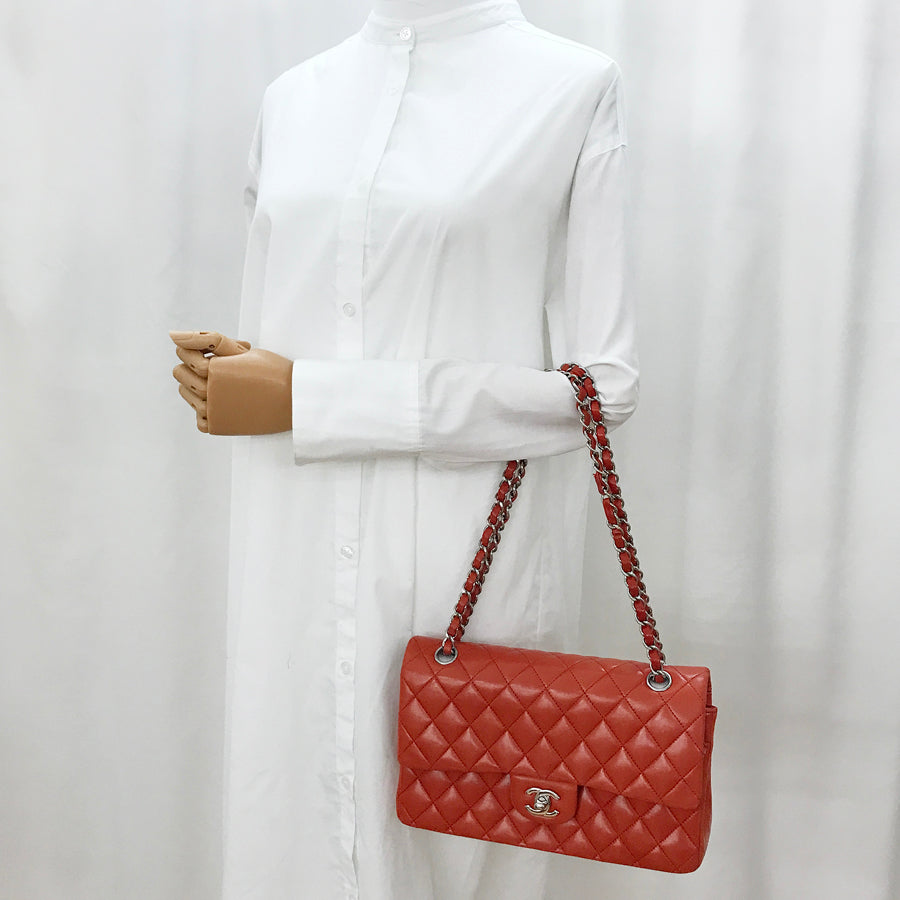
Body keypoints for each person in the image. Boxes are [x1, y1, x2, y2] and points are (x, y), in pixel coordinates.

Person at [169, 1, 638, 896]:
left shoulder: (571, 87)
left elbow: (602, 389)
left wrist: (316, 397)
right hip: (293, 565)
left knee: (449, 851)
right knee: (292, 828)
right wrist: (241, 376)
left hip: (462, 570)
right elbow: (276, 333)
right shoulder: (292, 99)